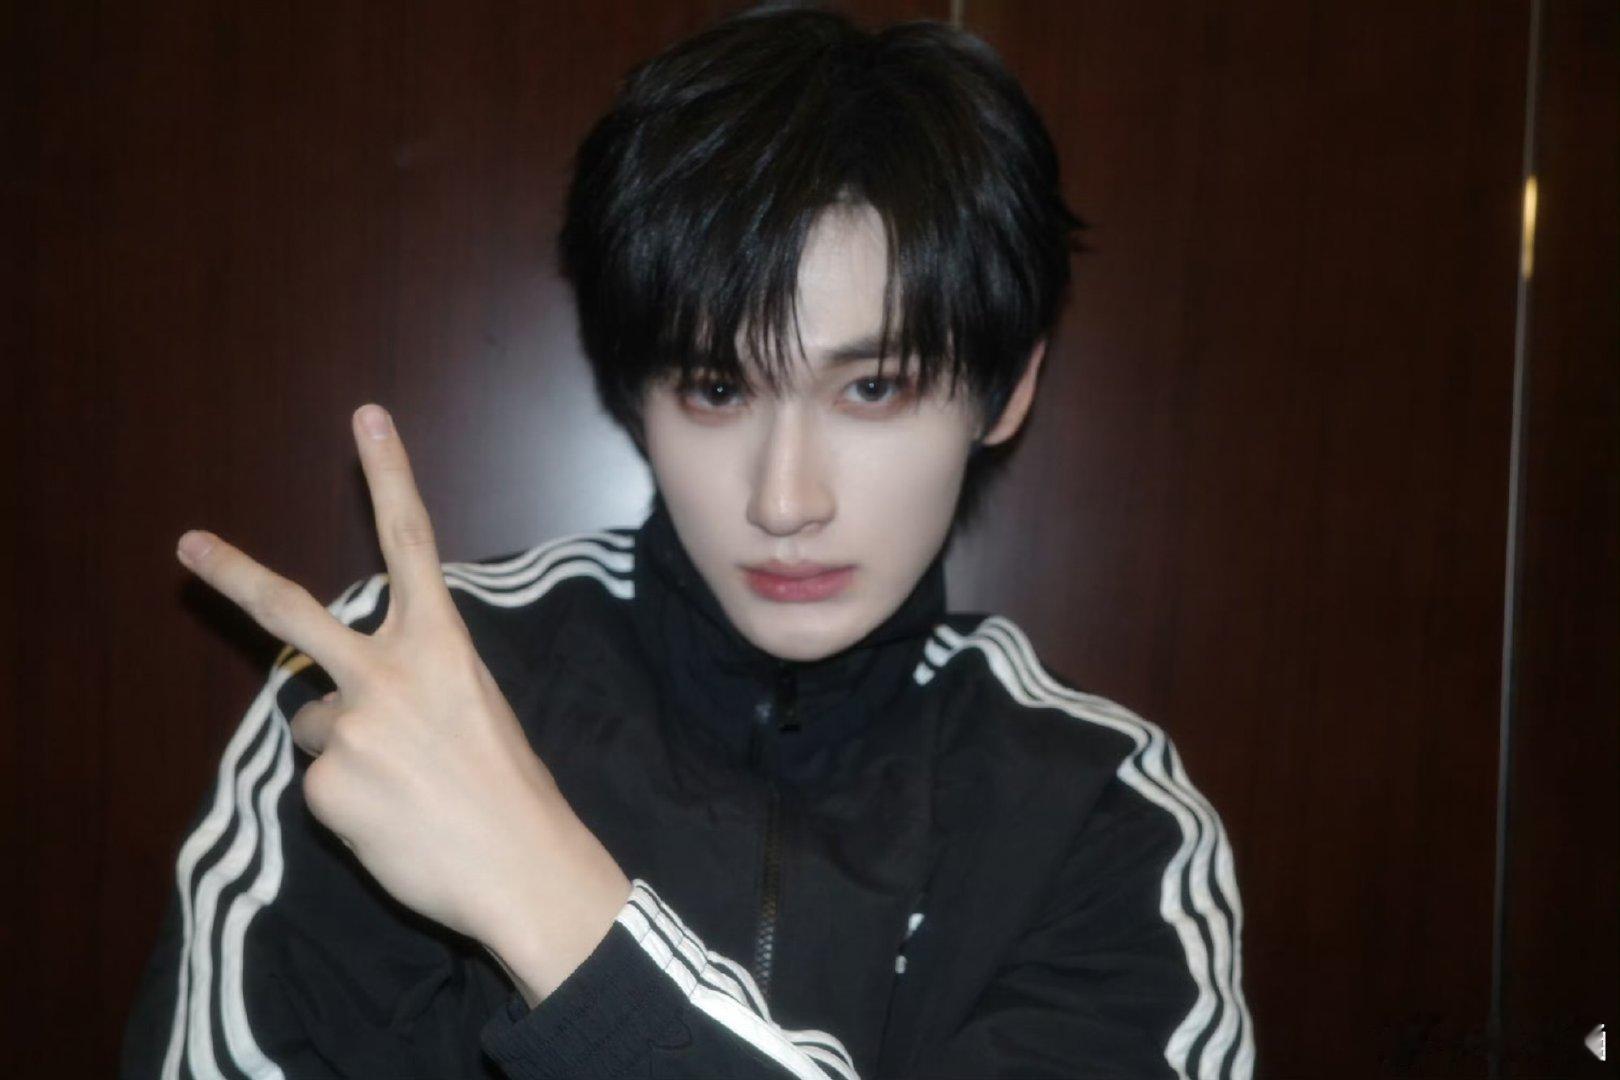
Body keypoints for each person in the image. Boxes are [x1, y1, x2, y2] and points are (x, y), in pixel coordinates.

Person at [122, 5, 1252, 1078]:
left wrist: (540, 889)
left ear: (1006, 391)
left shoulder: (1108, 819)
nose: (785, 499)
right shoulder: (400, 684)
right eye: (716, 387)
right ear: (635, 393)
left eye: (872, 386)